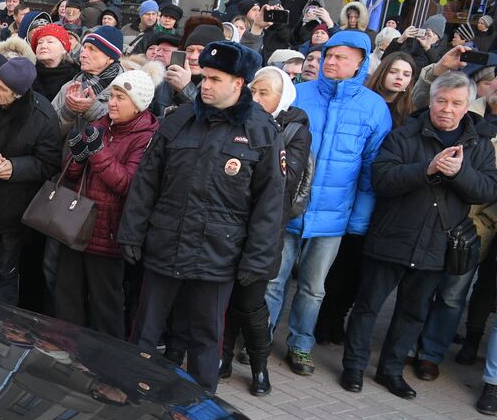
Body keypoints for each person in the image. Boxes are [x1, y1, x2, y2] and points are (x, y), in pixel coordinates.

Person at [117, 41, 285, 392]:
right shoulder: (179, 120)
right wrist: (131, 233)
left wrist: (257, 260)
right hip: (166, 243)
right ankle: (132, 391)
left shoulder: (261, 131)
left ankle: (200, 407)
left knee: (206, 336)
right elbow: (146, 183)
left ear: (238, 82)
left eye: (214, 78)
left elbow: (270, 204)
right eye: (203, 76)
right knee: (146, 328)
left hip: (217, 253)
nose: (204, 84)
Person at [342, 72, 497, 397]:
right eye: (441, 101)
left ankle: (391, 371)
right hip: (391, 237)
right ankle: (353, 368)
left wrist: (460, 173)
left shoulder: (479, 145)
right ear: (431, 101)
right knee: (368, 307)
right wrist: (426, 169)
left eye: (456, 103)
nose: (447, 109)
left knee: (412, 313)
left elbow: (486, 191)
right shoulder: (404, 135)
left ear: (468, 106)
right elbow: (381, 178)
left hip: (436, 245)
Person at [265, 30, 390, 376]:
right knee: (273, 281)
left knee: (313, 288)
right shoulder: (298, 95)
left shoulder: (373, 108)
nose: (331, 62)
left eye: (342, 57)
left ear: (360, 63)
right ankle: (258, 338)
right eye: (328, 55)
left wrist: (359, 220)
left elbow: (370, 170)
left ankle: (301, 344)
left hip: (333, 217)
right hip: (286, 210)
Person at [219, 66, 312, 395]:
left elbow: (284, 181)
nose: (255, 99)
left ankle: (260, 367)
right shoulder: (235, 121)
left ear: (282, 97)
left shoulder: (294, 129)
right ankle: (222, 358)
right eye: (253, 91)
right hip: (230, 225)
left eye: (264, 93)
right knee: (224, 294)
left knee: (251, 300)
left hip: (266, 231)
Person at [314, 51, 417, 345]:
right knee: (342, 264)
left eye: (406, 74)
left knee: (361, 269)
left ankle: (338, 318)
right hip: (354, 193)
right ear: (382, 71)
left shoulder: (409, 115)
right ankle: (326, 319)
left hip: (383, 200)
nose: (399, 78)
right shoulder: (363, 101)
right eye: (395, 71)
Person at [56, 69, 159, 337]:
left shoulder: (147, 136)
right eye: (112, 95)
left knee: (106, 305)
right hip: (76, 226)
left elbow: (127, 184)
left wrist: (98, 153)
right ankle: (65, 356)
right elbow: (72, 177)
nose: (112, 102)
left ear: (138, 104)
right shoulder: (101, 125)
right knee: (67, 298)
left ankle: (106, 366)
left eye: (120, 97)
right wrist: (77, 158)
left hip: (109, 234)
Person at [0, 57, 61, 304]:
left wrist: (17, 168)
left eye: (2, 90)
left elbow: (49, 163)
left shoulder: (42, 116)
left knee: (6, 273)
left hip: (14, 209)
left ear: (18, 94)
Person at [52, 26, 123, 137]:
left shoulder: (126, 90)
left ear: (110, 58)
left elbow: (124, 133)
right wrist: (68, 112)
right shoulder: (70, 87)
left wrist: (90, 108)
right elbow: (48, 133)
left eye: (92, 49)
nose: (83, 54)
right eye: (84, 47)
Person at [28, 24, 79, 102]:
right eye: (40, 42)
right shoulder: (29, 74)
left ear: (64, 49)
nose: (43, 46)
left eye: (50, 42)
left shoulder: (75, 77)